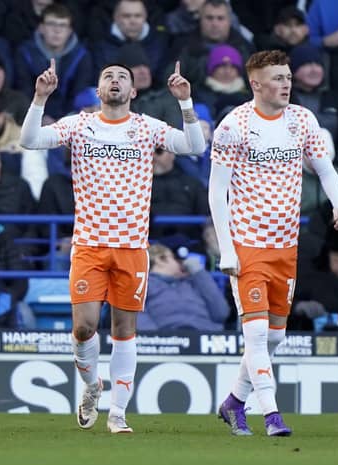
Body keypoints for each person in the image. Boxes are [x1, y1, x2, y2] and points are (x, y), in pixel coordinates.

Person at [20, 58, 205, 433]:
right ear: (99, 90)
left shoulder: (146, 127)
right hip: (89, 244)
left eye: (124, 77)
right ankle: (91, 385)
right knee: (85, 329)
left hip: (132, 247)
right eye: (109, 76)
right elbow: (29, 140)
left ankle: (118, 414)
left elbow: (194, 146)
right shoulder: (80, 123)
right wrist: (40, 97)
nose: (116, 81)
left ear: (133, 91)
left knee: (124, 330)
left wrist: (185, 103)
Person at [209, 49, 338, 437]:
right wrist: (226, 247)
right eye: (277, 78)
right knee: (255, 335)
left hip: (286, 245)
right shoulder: (233, 126)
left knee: (274, 337)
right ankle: (271, 414)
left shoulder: (303, 120)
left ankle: (234, 402)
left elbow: (325, 168)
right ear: (256, 84)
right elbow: (216, 190)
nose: (286, 83)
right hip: (248, 244)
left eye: (288, 77)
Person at [137, 243, 230, 331]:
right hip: (167, 341)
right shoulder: (144, 284)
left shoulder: (195, 282)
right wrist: (157, 339)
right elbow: (137, 314)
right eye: (175, 258)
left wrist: (199, 273)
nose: (181, 263)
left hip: (203, 336)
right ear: (160, 259)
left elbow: (221, 313)